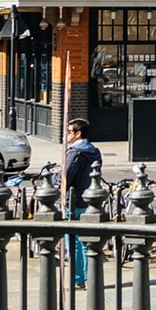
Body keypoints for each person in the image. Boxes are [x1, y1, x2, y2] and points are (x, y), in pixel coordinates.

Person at [63, 118, 103, 290]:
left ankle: (78, 278)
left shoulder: (75, 153)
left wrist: (56, 177)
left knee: (73, 243)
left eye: (69, 131)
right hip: (91, 201)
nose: (67, 134)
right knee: (88, 242)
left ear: (77, 133)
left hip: (74, 201)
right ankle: (90, 279)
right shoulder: (95, 151)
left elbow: (66, 177)